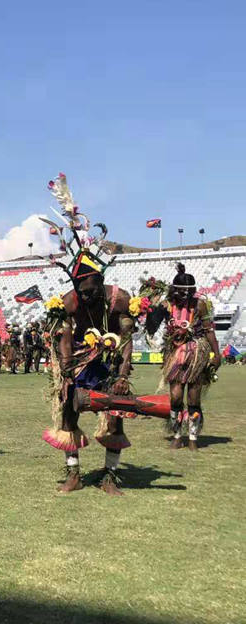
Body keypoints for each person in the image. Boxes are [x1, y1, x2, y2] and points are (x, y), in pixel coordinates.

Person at [41, 174, 134, 496]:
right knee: (68, 411)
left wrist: (122, 374)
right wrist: (66, 371)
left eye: (93, 289)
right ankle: (74, 473)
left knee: (117, 414)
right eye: (83, 290)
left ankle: (110, 476)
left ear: (101, 280)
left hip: (108, 362)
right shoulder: (68, 302)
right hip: (79, 360)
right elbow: (64, 337)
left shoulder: (118, 299)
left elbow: (126, 339)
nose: (89, 295)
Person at [141, 264, 221, 450]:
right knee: (176, 398)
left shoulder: (200, 304)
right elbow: (152, 328)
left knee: (194, 399)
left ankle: (192, 437)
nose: (185, 296)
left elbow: (209, 331)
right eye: (181, 292)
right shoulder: (166, 305)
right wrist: (150, 308)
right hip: (175, 354)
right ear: (174, 290)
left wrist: (217, 355)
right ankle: (177, 435)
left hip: (196, 353)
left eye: (188, 292)